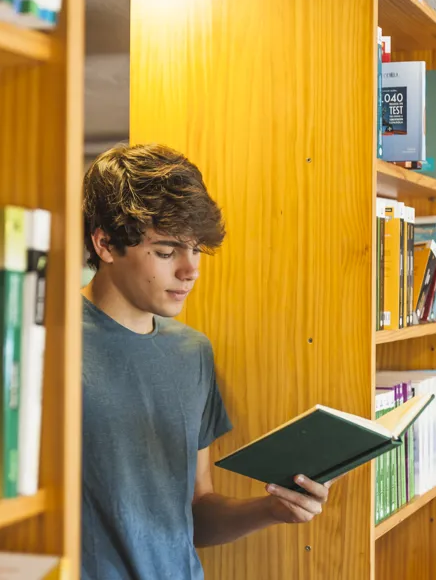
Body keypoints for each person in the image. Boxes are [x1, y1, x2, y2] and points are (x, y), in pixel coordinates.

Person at [80, 143, 332, 580]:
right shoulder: (45, 343)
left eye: (196, 250)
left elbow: (195, 511)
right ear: (105, 244)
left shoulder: (192, 352)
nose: (190, 270)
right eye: (167, 252)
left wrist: (272, 509)